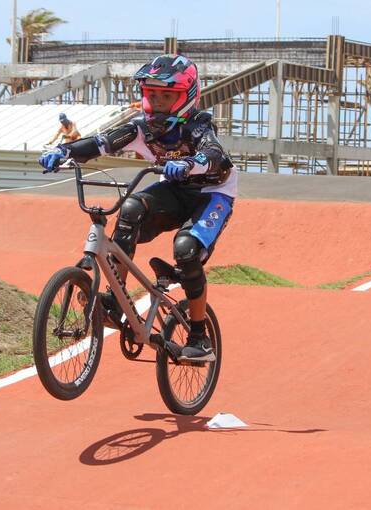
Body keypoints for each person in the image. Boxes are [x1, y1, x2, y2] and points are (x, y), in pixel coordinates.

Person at [39, 55, 237, 361]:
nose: (157, 101)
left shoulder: (198, 125)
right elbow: (102, 142)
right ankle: (115, 301)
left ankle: (200, 337)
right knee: (131, 208)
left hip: (212, 194)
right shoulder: (140, 128)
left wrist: (189, 163)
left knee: (185, 249)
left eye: (166, 96)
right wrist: (63, 150)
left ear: (186, 96)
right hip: (174, 190)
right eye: (151, 94)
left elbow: (214, 154)